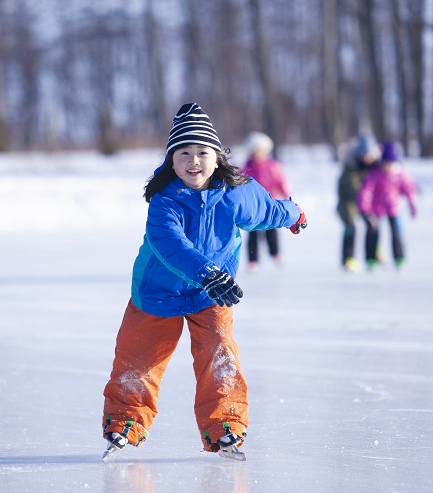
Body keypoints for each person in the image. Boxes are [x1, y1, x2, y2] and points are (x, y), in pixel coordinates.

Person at [101, 103, 307, 459]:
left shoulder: (236, 193)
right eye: (184, 153)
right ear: (171, 160)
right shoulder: (164, 201)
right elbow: (171, 245)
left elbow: (267, 210)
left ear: (217, 157)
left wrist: (293, 213)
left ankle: (225, 426)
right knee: (139, 361)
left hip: (210, 294)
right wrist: (207, 273)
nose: (193, 161)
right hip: (158, 293)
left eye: (202, 152)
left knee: (219, 355)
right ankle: (124, 423)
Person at [356, 140, 417, 271]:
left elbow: (409, 189)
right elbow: (366, 190)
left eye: (390, 164)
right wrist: (364, 207)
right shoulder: (376, 174)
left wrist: (412, 205)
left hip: (393, 207)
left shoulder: (400, 174)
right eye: (385, 164)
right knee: (373, 231)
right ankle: (371, 258)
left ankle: (399, 258)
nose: (387, 167)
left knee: (396, 232)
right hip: (376, 207)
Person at [240, 131, 293, 272]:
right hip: (253, 207)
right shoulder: (246, 167)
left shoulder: (273, 166)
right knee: (253, 232)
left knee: (272, 230)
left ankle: (275, 253)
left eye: (260, 151)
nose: (257, 154)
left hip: (271, 204)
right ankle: (252, 259)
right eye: (254, 151)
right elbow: (239, 184)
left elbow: (281, 181)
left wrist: (286, 195)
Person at [336, 134, 381, 272]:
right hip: (348, 202)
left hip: (366, 202)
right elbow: (352, 189)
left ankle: (372, 256)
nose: (366, 159)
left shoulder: (375, 166)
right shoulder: (351, 167)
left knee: (373, 224)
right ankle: (348, 259)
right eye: (364, 155)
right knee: (351, 226)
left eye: (369, 155)